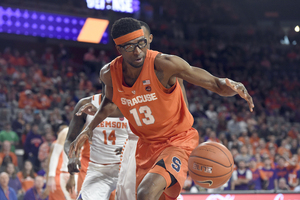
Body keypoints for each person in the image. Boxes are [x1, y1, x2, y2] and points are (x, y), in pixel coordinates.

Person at [69, 17, 254, 200]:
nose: (138, 51)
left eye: (141, 43)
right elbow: (109, 103)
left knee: (145, 193)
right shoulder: (108, 73)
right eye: (130, 46)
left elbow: (213, 83)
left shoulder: (164, 64)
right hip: (145, 145)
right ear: (119, 49)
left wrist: (232, 86)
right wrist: (88, 129)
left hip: (176, 141)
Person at [64, 92, 131, 200]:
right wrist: (72, 156)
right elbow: (69, 140)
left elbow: (146, 136)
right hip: (99, 169)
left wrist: (130, 147)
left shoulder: (132, 101)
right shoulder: (86, 104)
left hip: (128, 167)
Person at [45, 126, 75, 200]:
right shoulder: (55, 144)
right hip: (59, 175)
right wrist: (50, 177)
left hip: (67, 174)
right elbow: (50, 162)